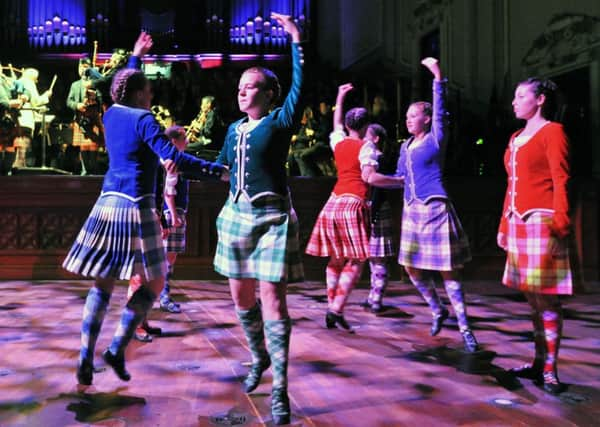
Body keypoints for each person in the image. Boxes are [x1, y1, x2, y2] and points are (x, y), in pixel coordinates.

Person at [63, 32, 227, 386]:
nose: (152, 96)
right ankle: (117, 346)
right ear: (140, 93)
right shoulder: (144, 119)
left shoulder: (111, 116)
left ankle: (83, 357)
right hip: (137, 206)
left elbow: (124, 88)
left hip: (107, 203)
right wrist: (219, 171)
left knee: (102, 283)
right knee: (155, 280)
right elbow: (173, 157)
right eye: (149, 91)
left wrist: (136, 57)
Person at [213, 13, 303, 425]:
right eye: (240, 87)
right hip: (235, 217)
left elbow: (299, 91)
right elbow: (221, 165)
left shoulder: (280, 122)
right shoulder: (233, 130)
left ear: (269, 94)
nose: (243, 92)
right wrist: (180, 165)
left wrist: (296, 42)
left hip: (271, 218)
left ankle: (280, 391)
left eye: (252, 87)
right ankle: (258, 356)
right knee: (239, 298)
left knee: (272, 299)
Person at [395, 58, 478, 352]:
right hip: (411, 211)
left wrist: (437, 75)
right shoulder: (405, 147)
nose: (408, 120)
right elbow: (400, 178)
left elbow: (440, 108)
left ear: (427, 119)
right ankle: (437, 308)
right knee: (410, 267)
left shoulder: (435, 138)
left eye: (413, 115)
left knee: (448, 271)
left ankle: (466, 328)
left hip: (434, 208)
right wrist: (373, 178)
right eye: (407, 116)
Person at [498, 77, 573, 394]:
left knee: (547, 298)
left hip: (543, 221)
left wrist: (561, 224)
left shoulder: (552, 131)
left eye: (520, 96)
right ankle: (538, 360)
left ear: (539, 100)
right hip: (517, 222)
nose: (514, 102)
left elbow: (561, 178)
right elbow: (511, 184)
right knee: (531, 298)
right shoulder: (516, 137)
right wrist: (504, 223)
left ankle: (550, 369)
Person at [306, 83, 400, 332]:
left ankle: (332, 306)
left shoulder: (339, 142)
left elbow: (336, 125)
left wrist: (340, 95)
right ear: (367, 126)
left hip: (333, 202)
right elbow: (370, 178)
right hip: (353, 202)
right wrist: (399, 181)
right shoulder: (366, 147)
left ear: (348, 126)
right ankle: (336, 308)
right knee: (357, 260)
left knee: (336, 258)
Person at [360, 124, 400, 313]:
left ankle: (377, 299)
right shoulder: (370, 158)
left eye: (366, 135)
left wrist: (372, 211)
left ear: (375, 139)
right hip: (372, 208)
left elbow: (378, 190)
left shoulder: (378, 159)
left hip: (377, 210)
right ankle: (373, 297)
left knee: (379, 258)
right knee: (373, 258)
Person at [66, 57, 104, 174]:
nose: (83, 69)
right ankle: (85, 170)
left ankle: (93, 170)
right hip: (80, 119)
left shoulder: (96, 83)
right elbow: (69, 101)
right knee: (83, 147)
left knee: (93, 146)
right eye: (81, 67)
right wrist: (77, 105)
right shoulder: (75, 85)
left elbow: (103, 100)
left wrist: (95, 96)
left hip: (94, 119)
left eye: (86, 67)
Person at [15, 68, 51, 167]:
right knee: (23, 146)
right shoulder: (29, 83)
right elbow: (35, 102)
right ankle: (19, 169)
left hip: (15, 119)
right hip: (25, 120)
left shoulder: (16, 82)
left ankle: (14, 168)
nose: (37, 81)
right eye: (36, 79)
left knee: (15, 146)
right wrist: (46, 96)